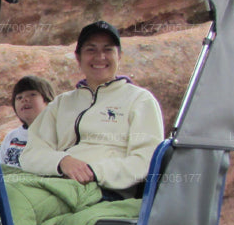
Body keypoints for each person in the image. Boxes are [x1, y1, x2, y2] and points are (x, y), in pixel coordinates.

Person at [19, 21, 164, 195]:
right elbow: (31, 153)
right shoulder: (61, 103)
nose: (100, 57)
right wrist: (63, 161)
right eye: (91, 50)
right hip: (55, 182)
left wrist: (93, 171)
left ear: (119, 56)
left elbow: (146, 160)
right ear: (78, 58)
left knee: (14, 198)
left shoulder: (139, 100)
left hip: (104, 190)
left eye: (108, 50)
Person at [0, 75, 56, 167]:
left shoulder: (57, 133)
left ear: (48, 101)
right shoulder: (11, 137)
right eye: (19, 97)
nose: (24, 99)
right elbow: (0, 167)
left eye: (32, 94)